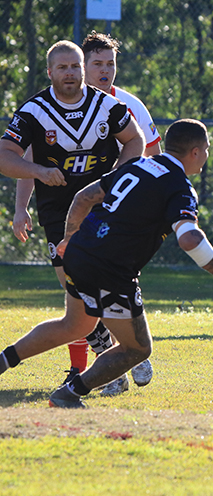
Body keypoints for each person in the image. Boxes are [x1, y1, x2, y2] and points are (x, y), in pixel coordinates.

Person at [0, 119, 213, 408]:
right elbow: (190, 239)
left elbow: (84, 197)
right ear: (195, 152)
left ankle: (3, 361)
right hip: (109, 270)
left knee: (74, 325)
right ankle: (68, 394)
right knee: (137, 349)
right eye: (207, 149)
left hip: (80, 253)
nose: (206, 156)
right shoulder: (180, 187)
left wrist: (69, 238)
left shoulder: (137, 165)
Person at [13, 32, 163, 397]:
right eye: (97, 64)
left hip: (108, 210)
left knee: (113, 282)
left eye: (110, 64)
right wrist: (20, 207)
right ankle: (102, 365)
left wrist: (131, 192)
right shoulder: (43, 109)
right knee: (76, 295)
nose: (104, 71)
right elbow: (26, 159)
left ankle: (126, 355)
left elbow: (149, 151)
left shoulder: (124, 106)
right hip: (59, 214)